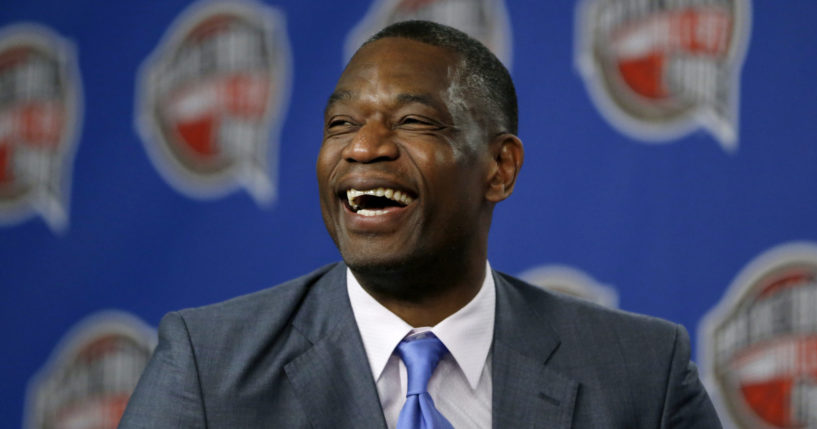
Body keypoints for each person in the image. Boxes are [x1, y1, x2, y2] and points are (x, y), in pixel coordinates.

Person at [119, 20, 722, 428]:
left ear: (499, 167)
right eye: (340, 124)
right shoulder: (208, 367)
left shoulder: (642, 372)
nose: (364, 148)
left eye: (412, 122)